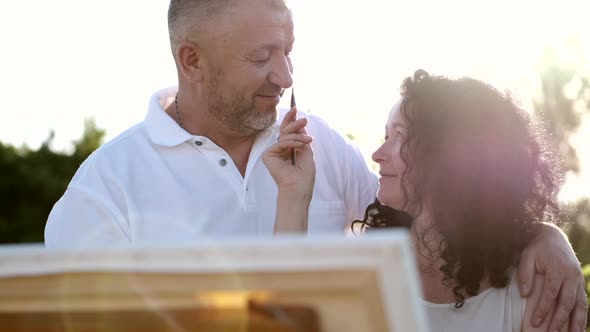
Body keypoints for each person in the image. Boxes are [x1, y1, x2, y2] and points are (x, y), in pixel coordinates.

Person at [44, 0, 586, 330]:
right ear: (192, 61)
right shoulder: (104, 193)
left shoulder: (319, 142)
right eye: (260, 57)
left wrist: (540, 235)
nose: (284, 75)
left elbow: (436, 211)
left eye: (288, 50)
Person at [264, 69, 588, 331]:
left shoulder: (532, 286)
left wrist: (549, 235)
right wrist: (293, 192)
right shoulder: (369, 273)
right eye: (385, 136)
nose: (378, 154)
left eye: (399, 138)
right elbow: (281, 322)